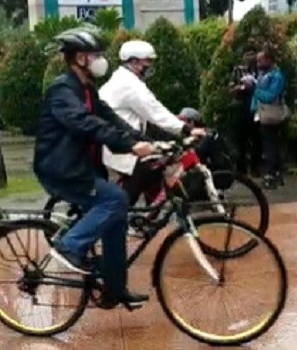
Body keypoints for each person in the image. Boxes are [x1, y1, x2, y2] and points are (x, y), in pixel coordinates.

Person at [35, 27, 156, 309]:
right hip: (61, 169)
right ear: (79, 58)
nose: (102, 60)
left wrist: (143, 141)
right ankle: (69, 245)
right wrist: (127, 145)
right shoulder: (62, 90)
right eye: (96, 55)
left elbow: (110, 118)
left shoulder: (86, 88)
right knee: (116, 200)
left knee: (117, 216)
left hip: (83, 167)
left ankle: (115, 287)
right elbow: (84, 123)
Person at [99, 40, 205, 206]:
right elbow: (155, 112)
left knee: (155, 168)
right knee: (144, 171)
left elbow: (151, 117)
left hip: (123, 140)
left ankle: (148, 218)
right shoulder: (129, 85)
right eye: (147, 61)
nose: (150, 66)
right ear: (134, 62)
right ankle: (116, 214)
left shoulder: (127, 80)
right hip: (119, 145)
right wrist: (187, 129)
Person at [251, 50, 286, 189]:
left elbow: (270, 96)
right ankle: (276, 173)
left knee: (270, 145)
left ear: (270, 60)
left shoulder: (276, 76)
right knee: (268, 145)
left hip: (271, 114)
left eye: (261, 61)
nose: (258, 64)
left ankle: (272, 174)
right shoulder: (263, 75)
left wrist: (254, 89)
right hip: (260, 114)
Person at [229, 53, 262, 177]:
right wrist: (242, 87)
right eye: (247, 55)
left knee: (257, 139)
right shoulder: (238, 70)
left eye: (252, 55)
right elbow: (231, 88)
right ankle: (241, 168)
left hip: (256, 107)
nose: (250, 58)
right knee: (240, 139)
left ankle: (255, 167)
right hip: (241, 106)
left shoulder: (259, 71)